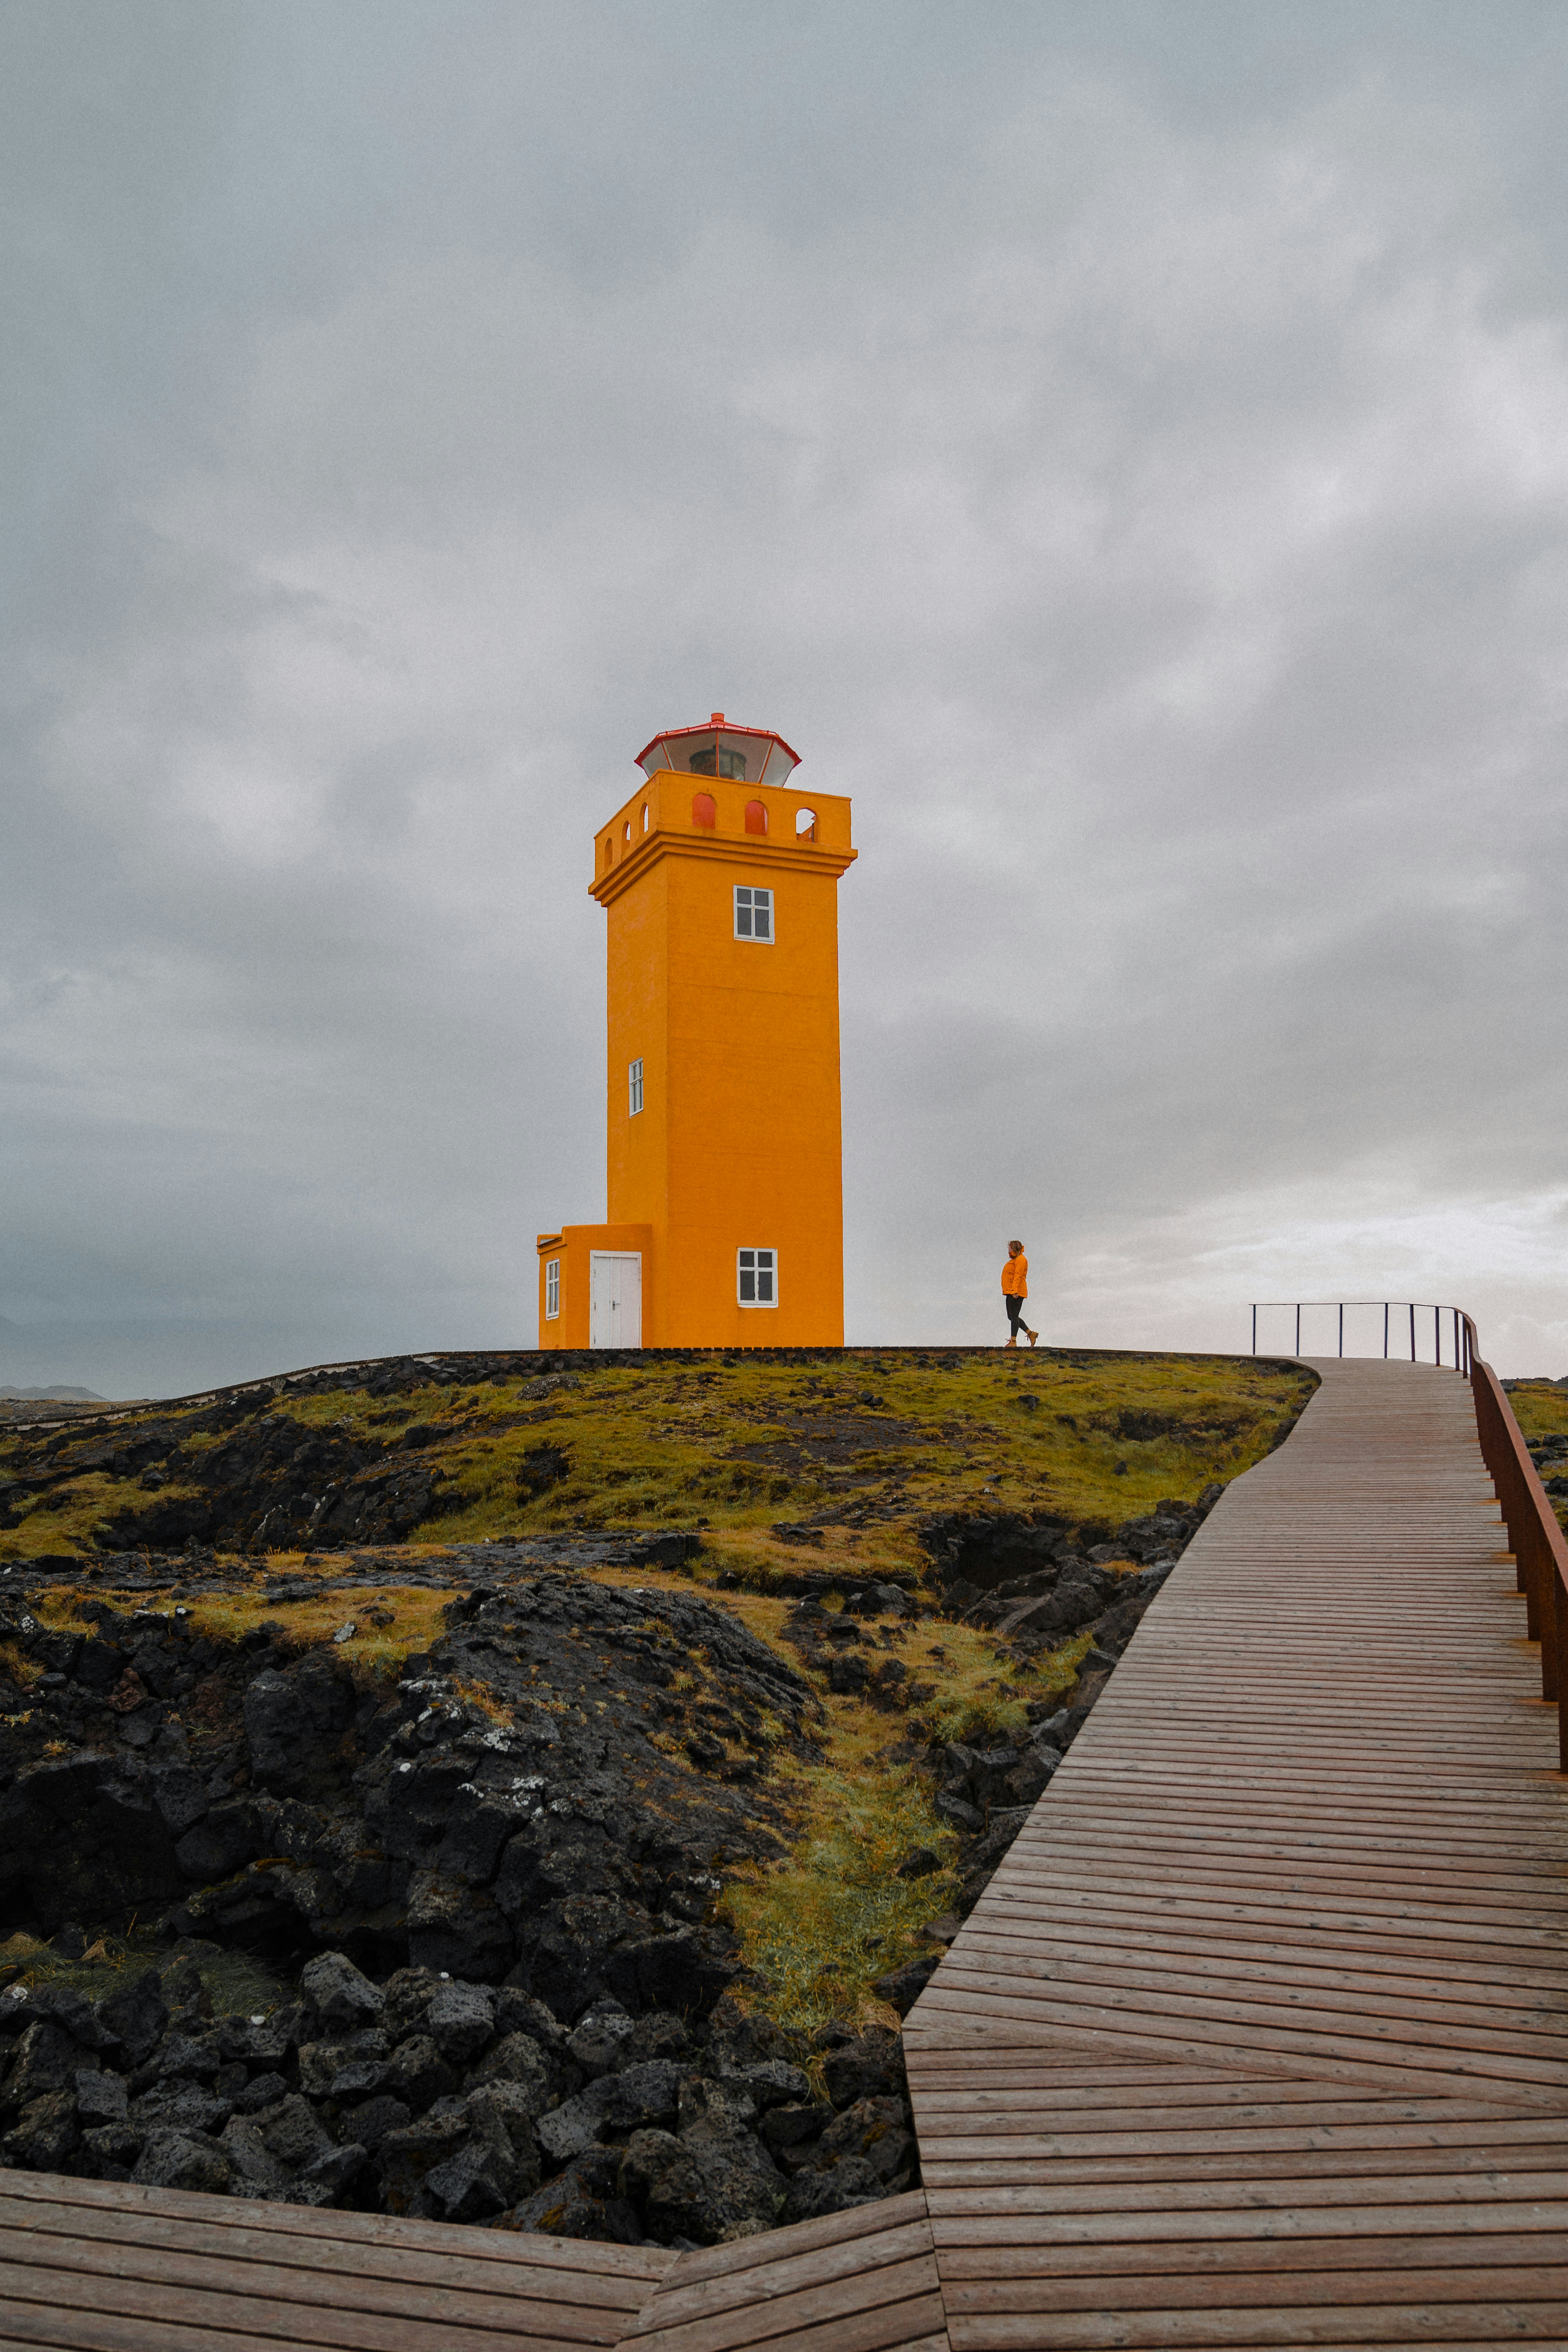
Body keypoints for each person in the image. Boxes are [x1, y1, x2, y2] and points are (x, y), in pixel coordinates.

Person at [1001, 1239, 1038, 1348]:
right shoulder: (1015, 1260)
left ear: (1014, 1248)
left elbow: (1018, 1275)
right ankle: (1031, 1334)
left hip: (1017, 1291)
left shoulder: (1021, 1259)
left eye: (1010, 1248)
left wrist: (1014, 1290)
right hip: (1011, 1291)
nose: (1008, 1250)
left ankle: (1013, 1342)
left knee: (1014, 1316)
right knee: (1011, 1316)